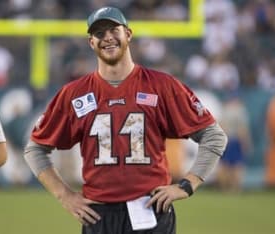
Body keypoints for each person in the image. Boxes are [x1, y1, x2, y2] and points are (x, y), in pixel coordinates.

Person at [24, 6, 227, 234]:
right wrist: (64, 196)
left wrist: (187, 184)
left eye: (113, 30)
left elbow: (213, 135)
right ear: (91, 42)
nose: (107, 37)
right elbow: (35, 149)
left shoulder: (161, 86)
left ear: (128, 34)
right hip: (98, 214)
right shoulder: (74, 94)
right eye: (99, 33)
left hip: (151, 209)